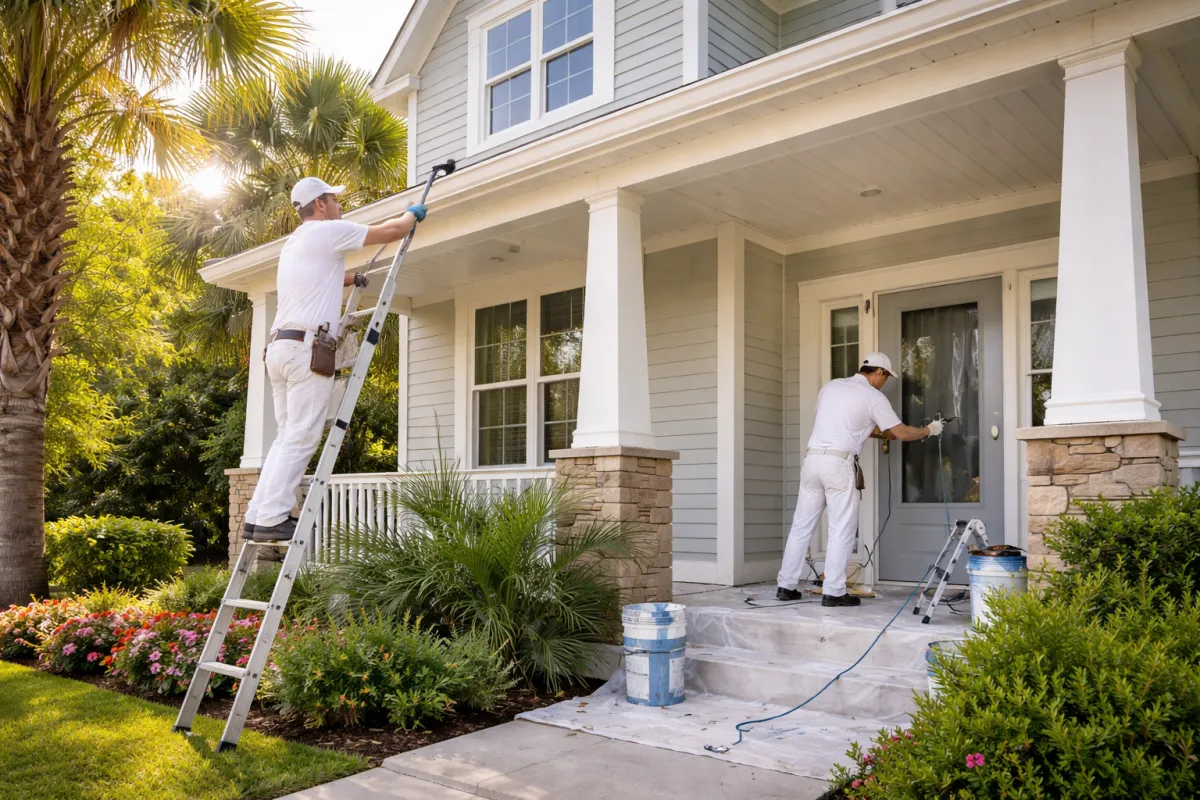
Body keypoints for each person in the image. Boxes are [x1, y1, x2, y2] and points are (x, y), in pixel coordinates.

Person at [244, 177, 428, 542]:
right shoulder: (326, 232)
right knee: (301, 435)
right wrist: (412, 214)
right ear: (321, 204)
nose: (339, 204)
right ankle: (271, 517)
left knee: (286, 437)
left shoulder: (296, 243)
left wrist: (349, 279)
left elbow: (319, 278)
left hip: (281, 349)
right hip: (304, 351)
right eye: (334, 198)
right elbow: (393, 230)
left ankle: (257, 515)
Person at [776, 353, 943, 607]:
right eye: (885, 378)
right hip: (838, 465)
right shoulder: (873, 396)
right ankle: (833, 591)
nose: (884, 383)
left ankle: (785, 586)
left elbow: (849, 424)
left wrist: (876, 434)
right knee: (841, 529)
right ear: (879, 373)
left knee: (801, 526)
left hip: (812, 461)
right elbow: (900, 432)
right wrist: (928, 430)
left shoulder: (830, 387)